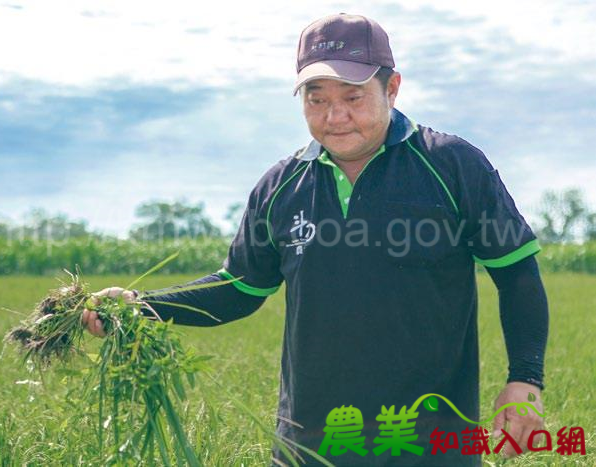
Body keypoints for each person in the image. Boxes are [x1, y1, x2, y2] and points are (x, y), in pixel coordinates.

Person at [82, 13, 548, 466]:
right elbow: (240, 288)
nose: (335, 117)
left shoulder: (452, 166)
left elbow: (516, 271)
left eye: (353, 97)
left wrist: (525, 380)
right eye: (316, 99)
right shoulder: (280, 187)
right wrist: (140, 305)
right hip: (309, 447)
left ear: (392, 88)